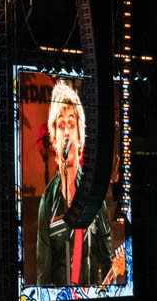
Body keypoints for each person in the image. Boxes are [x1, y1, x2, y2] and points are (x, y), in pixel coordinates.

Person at [36, 80, 112, 285]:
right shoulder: (47, 202)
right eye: (61, 125)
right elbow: (43, 275)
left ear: (80, 137)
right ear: (54, 139)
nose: (67, 131)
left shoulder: (94, 196)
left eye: (72, 124)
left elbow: (108, 262)